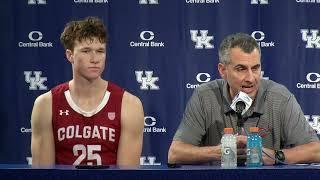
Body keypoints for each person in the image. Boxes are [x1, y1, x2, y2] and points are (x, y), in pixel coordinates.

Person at [168, 33, 320, 165]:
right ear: (222, 70)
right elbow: (175, 154)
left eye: (255, 68)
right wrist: (221, 152)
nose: (250, 78)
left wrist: (273, 156)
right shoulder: (204, 96)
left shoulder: (280, 97)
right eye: (241, 69)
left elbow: (316, 151)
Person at [31, 17, 144, 167]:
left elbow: (126, 175)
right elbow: (43, 174)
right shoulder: (46, 104)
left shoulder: (129, 105)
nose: (95, 59)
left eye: (100, 51)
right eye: (86, 51)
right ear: (70, 55)